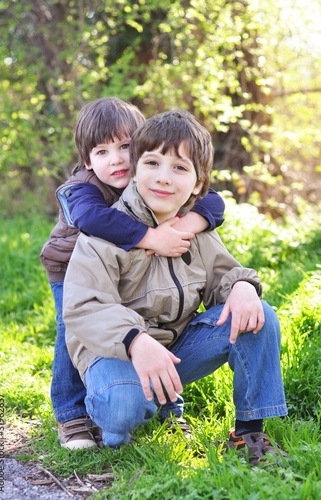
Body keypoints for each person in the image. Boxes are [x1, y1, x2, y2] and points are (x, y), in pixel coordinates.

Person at [63, 109, 288, 466]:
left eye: (180, 168)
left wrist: (242, 286)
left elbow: (222, 274)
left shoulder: (192, 227)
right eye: (152, 163)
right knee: (125, 407)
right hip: (118, 353)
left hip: (175, 351)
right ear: (135, 169)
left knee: (259, 316)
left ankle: (248, 432)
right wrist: (135, 341)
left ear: (199, 184)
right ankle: (110, 415)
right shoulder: (106, 231)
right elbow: (84, 306)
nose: (164, 179)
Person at [40, 98, 225, 450]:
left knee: (153, 322)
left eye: (126, 146)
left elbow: (213, 201)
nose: (117, 159)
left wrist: (191, 220)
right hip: (70, 270)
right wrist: (151, 236)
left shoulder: (149, 176)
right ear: (86, 160)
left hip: (122, 270)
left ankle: (171, 409)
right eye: (102, 151)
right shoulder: (80, 189)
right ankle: (71, 415)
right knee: (72, 331)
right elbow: (94, 220)